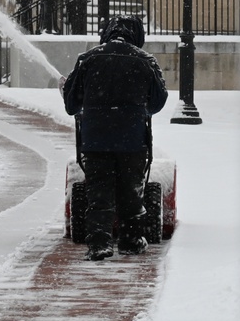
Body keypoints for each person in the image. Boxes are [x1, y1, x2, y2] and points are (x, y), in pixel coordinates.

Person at [62, 15, 169, 261]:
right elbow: (157, 102)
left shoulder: (87, 59)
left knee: (98, 192)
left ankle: (99, 243)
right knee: (131, 190)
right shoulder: (145, 61)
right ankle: (131, 241)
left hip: (96, 139)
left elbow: (71, 104)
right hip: (132, 139)